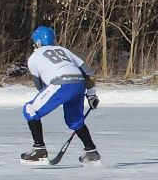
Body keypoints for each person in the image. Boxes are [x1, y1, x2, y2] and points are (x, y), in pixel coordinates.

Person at [20, 25, 99, 164]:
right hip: (79, 84)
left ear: (38, 42)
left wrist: (54, 97)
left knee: (30, 109)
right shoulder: (64, 50)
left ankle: (39, 149)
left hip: (61, 84)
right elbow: (88, 72)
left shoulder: (34, 57)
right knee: (75, 120)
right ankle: (91, 152)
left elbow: (40, 87)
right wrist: (92, 95)